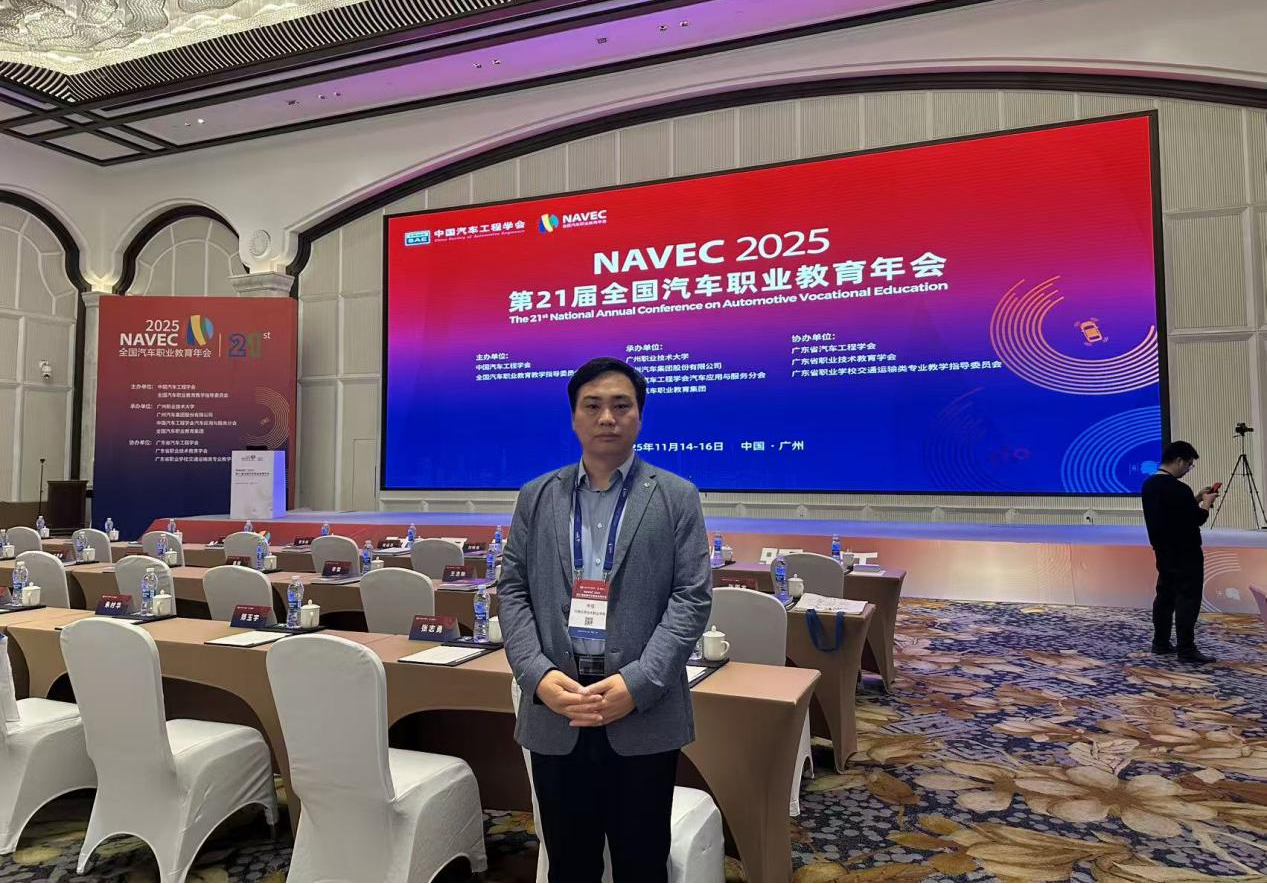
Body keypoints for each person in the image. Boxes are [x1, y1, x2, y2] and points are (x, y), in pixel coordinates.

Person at [498, 356, 711, 883]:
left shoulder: (676, 496)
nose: (607, 417)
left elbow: (691, 598)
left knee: (642, 862)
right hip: (559, 706)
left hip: (641, 710)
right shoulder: (536, 496)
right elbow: (513, 590)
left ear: (640, 416)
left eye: (621, 405)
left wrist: (638, 684)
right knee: (569, 864)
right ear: (574, 417)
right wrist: (537, 676)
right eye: (593, 406)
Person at [1141, 441, 1218, 663]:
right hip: (1186, 552)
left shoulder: (1149, 485)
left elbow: (1175, 513)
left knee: (1165, 597)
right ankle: (1187, 649)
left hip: (1163, 551)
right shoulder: (1178, 488)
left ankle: (1161, 643)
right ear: (1179, 461)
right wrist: (1206, 504)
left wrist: (1196, 498)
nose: (1188, 469)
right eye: (1189, 464)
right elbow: (1196, 519)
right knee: (1187, 599)